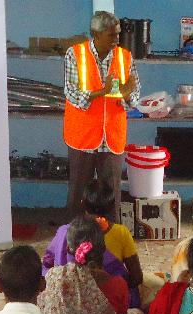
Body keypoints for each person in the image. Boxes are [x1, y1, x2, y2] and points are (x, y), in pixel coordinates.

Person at [64, 11, 140, 217]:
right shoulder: (75, 54)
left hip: (112, 138)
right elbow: (72, 94)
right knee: (79, 193)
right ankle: (74, 238)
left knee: (112, 195)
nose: (117, 39)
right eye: (111, 35)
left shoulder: (125, 57)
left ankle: (112, 240)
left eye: (118, 34)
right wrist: (103, 92)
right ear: (96, 35)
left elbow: (135, 98)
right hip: (83, 138)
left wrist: (126, 96)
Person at [44, 180, 143, 308]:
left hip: (70, 301)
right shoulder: (121, 233)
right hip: (110, 302)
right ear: (113, 206)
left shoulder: (64, 232)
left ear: (82, 203)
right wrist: (116, 287)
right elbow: (136, 277)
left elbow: (48, 263)